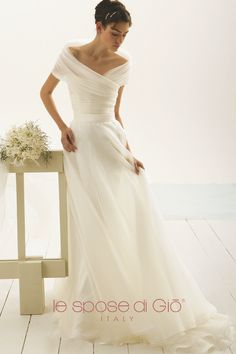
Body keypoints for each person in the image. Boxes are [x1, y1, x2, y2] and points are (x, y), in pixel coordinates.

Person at [40, 0, 236, 352]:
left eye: (125, 35)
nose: (120, 41)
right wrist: (62, 128)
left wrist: (129, 151)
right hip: (82, 146)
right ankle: (94, 297)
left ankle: (130, 290)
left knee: (124, 217)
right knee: (91, 220)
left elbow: (116, 112)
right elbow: (46, 92)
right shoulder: (70, 55)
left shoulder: (124, 62)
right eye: (115, 33)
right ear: (99, 25)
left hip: (111, 143)